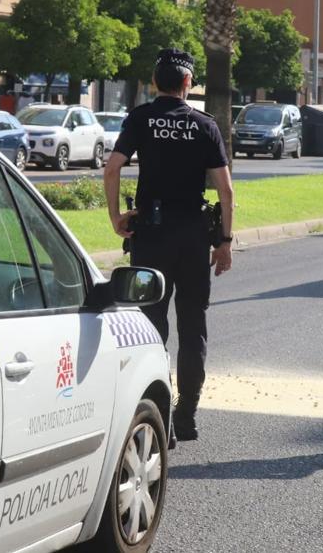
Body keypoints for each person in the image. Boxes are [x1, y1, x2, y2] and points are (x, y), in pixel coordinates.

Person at [103, 48, 235, 441]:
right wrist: (224, 242)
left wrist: (115, 218)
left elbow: (112, 168)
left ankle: (157, 415)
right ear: (187, 83)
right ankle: (187, 415)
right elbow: (225, 191)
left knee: (150, 327)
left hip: (152, 235)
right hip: (194, 236)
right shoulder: (205, 125)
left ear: (156, 82)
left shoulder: (141, 119)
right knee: (193, 327)